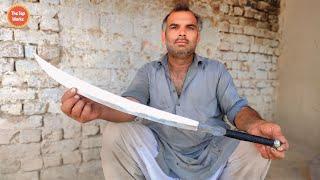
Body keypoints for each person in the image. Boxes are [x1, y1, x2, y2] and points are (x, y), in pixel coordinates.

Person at [60, 3, 289, 180]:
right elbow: (130, 107)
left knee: (258, 145)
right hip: (162, 154)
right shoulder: (149, 72)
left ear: (197, 36)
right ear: (164, 36)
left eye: (189, 28)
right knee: (115, 134)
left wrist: (254, 125)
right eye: (174, 27)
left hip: (211, 152)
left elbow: (237, 109)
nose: (182, 33)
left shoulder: (216, 70)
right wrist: (98, 109)